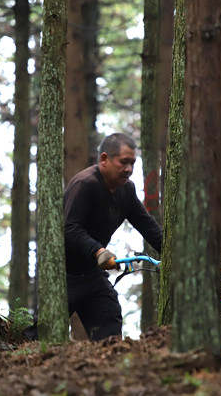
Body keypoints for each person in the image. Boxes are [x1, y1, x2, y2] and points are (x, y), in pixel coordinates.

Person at [63, 132, 163, 340]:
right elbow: (69, 229)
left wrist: (176, 253)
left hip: (92, 275)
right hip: (62, 276)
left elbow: (147, 226)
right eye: (123, 162)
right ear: (104, 159)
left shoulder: (126, 190)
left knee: (109, 330)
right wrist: (98, 251)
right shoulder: (85, 184)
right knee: (36, 334)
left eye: (132, 163)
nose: (128, 169)